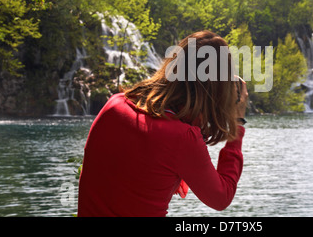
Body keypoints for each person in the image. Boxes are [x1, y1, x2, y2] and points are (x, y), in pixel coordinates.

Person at [77, 31, 248, 217]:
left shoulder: (114, 104)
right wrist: (237, 123)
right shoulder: (182, 138)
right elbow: (221, 197)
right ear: (216, 88)